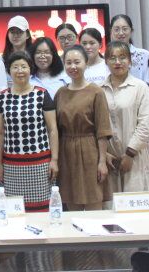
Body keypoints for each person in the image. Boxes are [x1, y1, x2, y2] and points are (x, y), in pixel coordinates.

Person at [0, 50, 57, 214]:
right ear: (9, 71)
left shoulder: (41, 94)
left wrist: (54, 160)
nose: (20, 71)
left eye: (24, 66)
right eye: (15, 67)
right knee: (14, 211)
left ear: (30, 69)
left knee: (41, 212)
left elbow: (52, 129)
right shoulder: (1, 98)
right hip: (11, 165)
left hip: (40, 164)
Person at [55, 45, 112, 210]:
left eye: (77, 62)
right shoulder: (60, 93)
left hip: (90, 151)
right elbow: (55, 129)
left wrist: (102, 162)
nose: (73, 66)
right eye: (68, 63)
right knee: (71, 204)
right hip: (66, 153)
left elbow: (103, 131)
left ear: (86, 63)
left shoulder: (96, 92)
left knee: (94, 202)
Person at [101, 42, 149, 195]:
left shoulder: (140, 87)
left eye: (122, 57)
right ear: (106, 61)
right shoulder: (99, 90)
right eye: (112, 58)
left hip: (135, 157)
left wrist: (130, 154)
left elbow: (145, 126)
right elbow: (96, 126)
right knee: (110, 206)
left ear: (130, 61)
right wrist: (104, 154)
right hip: (109, 160)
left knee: (135, 203)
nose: (117, 62)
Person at [109, 14, 149, 83]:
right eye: (116, 29)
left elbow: (147, 81)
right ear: (111, 31)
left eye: (125, 29)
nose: (121, 33)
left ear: (131, 31)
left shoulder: (143, 54)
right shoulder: (108, 56)